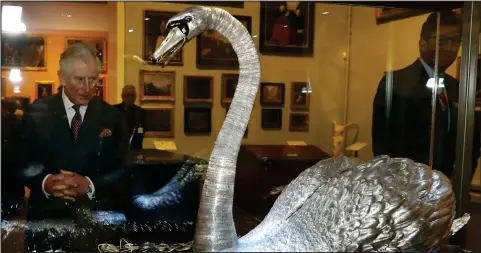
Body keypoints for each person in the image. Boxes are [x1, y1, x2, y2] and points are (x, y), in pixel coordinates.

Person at [17, 42, 129, 220]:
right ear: (62, 77)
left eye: (93, 79)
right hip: (45, 219)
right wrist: (45, 183)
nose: (87, 88)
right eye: (79, 79)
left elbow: (122, 169)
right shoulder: (36, 113)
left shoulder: (113, 117)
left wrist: (90, 185)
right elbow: (20, 162)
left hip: (97, 220)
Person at [372, 11, 480, 179]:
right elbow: (383, 148)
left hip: (448, 189)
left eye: (455, 41)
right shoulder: (396, 83)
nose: (450, 48)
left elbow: (469, 144)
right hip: (407, 189)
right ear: (422, 44)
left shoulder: (456, 87)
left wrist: (459, 182)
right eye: (441, 41)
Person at [113, 85, 146, 150]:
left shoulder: (141, 112)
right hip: (117, 148)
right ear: (122, 96)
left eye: (132, 95)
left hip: (135, 147)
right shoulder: (114, 110)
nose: (130, 98)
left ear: (135, 97)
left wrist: (138, 136)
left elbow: (141, 129)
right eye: (128, 95)